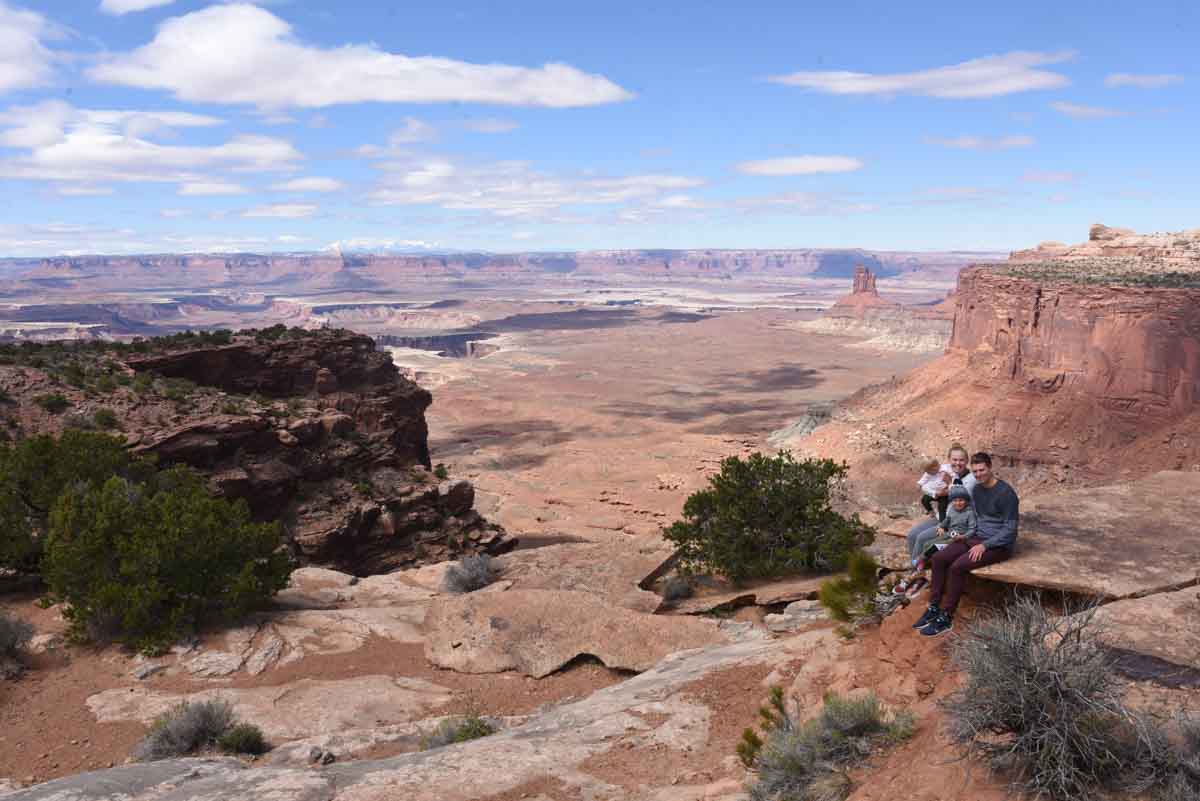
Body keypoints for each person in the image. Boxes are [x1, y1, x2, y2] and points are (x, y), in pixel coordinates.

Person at [915, 452, 1019, 637]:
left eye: (982, 470)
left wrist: (985, 545)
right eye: (975, 471)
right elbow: (973, 515)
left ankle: (946, 616)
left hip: (997, 545)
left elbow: (1010, 530)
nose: (978, 474)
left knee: (957, 567)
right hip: (974, 536)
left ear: (990, 468)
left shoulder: (1006, 493)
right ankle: (933, 606)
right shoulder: (978, 490)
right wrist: (963, 533)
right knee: (939, 558)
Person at [904, 444, 976, 566]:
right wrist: (934, 492)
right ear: (949, 460)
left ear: (967, 461)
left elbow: (960, 496)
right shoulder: (945, 471)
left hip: (955, 521)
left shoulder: (970, 478)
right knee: (912, 535)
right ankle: (918, 567)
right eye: (954, 459)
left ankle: (915, 571)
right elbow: (925, 486)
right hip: (942, 516)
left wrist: (946, 485)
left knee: (922, 538)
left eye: (961, 460)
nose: (957, 463)